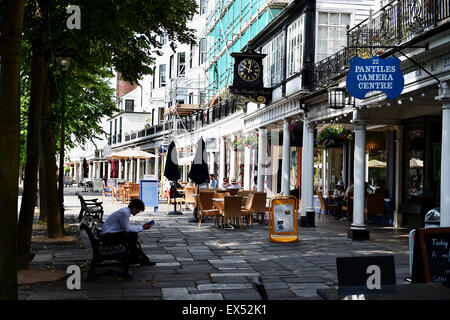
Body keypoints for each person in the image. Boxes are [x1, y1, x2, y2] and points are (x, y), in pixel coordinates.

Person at [101, 199, 155, 266]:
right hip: (109, 236)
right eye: (138, 211)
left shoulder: (125, 211)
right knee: (132, 237)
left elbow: (128, 227)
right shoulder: (124, 213)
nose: (138, 212)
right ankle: (139, 258)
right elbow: (127, 229)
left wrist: (141, 227)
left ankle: (141, 259)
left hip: (111, 234)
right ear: (134, 208)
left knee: (133, 236)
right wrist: (142, 228)